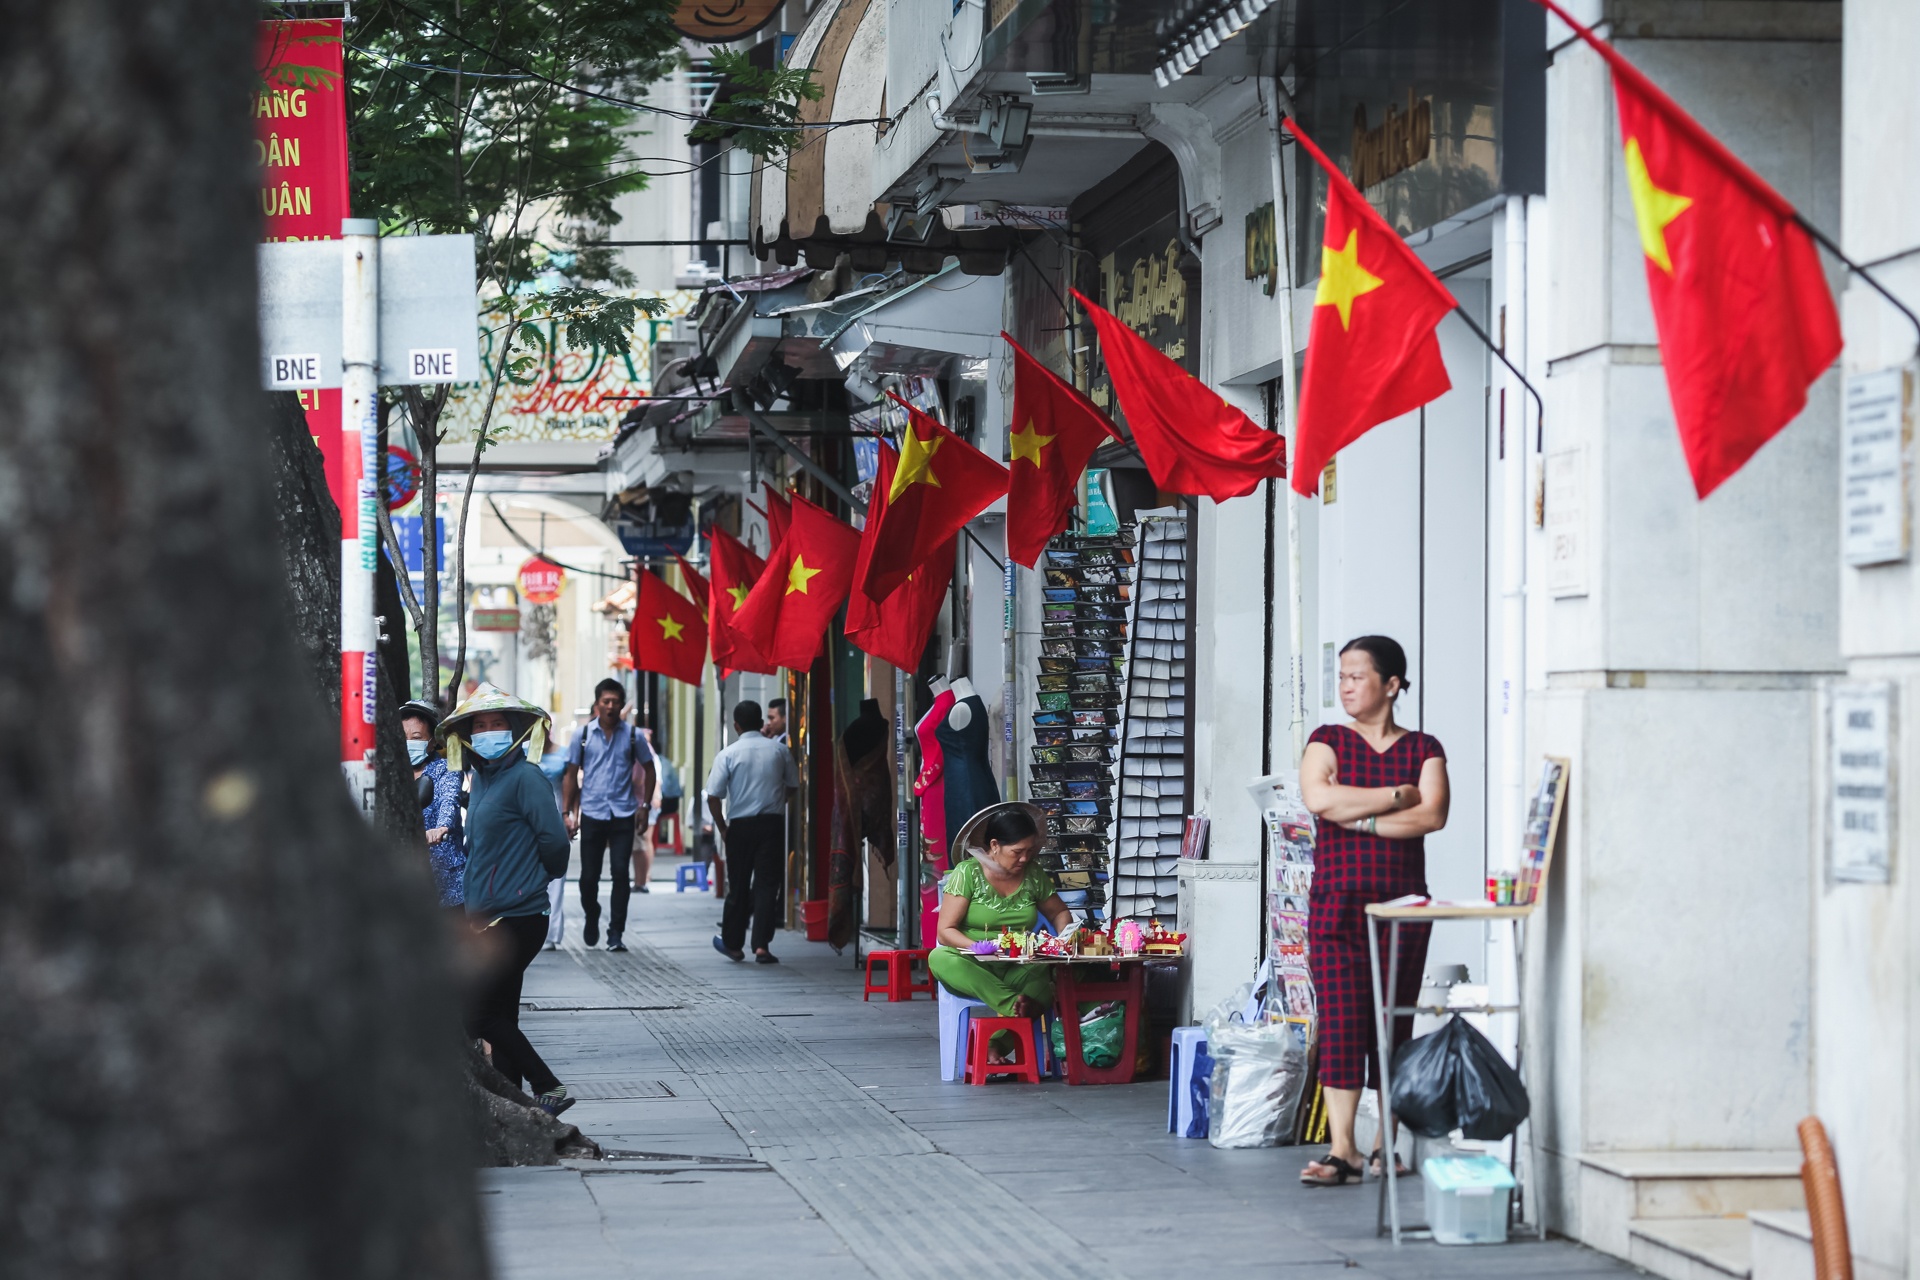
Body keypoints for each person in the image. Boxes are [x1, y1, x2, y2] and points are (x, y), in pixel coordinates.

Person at [1296, 636, 1450, 1187]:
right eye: (1341, 676)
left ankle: (1388, 1145)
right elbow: (1318, 799)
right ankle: (1344, 1150)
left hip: (1403, 907)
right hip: (1336, 906)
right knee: (1341, 1020)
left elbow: (1431, 815)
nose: (1346, 686)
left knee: (1393, 1021)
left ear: (1391, 685)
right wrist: (1392, 797)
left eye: (1357, 676)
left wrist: (1355, 810)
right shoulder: (1327, 739)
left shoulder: (1425, 746)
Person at [440, 683, 575, 1117]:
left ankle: (547, 1086)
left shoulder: (526, 777)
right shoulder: (480, 779)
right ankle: (516, 1102)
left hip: (517, 915)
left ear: (515, 730)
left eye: (496, 724)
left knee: (474, 1014)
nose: (487, 732)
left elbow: (554, 842)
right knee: (501, 1016)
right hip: (485, 917)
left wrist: (532, 880)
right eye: (479, 725)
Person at [926, 803, 1075, 1062]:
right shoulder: (968, 873)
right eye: (1017, 852)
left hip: (1018, 963)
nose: (1025, 859)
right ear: (994, 845)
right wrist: (980, 948)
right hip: (973, 964)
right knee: (939, 959)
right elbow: (945, 931)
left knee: (1051, 976)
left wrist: (1063, 940)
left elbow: (1059, 913)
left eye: (1029, 851)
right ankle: (1012, 1003)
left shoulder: (1033, 875)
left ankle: (993, 1046)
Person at [562, 679, 655, 952]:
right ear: (597, 704)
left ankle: (616, 933)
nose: (610, 706)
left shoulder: (633, 735)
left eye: (615, 701)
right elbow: (570, 775)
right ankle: (592, 914)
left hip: (623, 812)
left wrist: (646, 806)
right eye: (606, 701)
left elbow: (649, 770)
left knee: (620, 874)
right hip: (592, 811)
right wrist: (568, 813)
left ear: (621, 705)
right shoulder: (583, 735)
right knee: (588, 877)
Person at [707, 700, 797, 964]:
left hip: (740, 827)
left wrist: (723, 828)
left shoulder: (728, 754)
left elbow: (713, 797)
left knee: (738, 886)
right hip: (772, 825)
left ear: (736, 726)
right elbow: (793, 784)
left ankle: (733, 944)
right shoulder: (779, 750)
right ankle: (761, 946)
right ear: (761, 724)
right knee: (767, 886)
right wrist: (779, 802)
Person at [401, 699, 464, 915]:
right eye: (403, 737)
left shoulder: (446, 770)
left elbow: (450, 799)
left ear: (432, 742)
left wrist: (441, 828)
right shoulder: (391, 772)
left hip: (445, 881)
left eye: (416, 737)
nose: (408, 742)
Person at [536, 722, 573, 950]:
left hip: (557, 811)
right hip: (531, 815)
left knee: (558, 876)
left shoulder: (564, 753)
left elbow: (572, 785)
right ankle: (534, 927)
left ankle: (551, 933)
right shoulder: (522, 753)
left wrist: (571, 815)